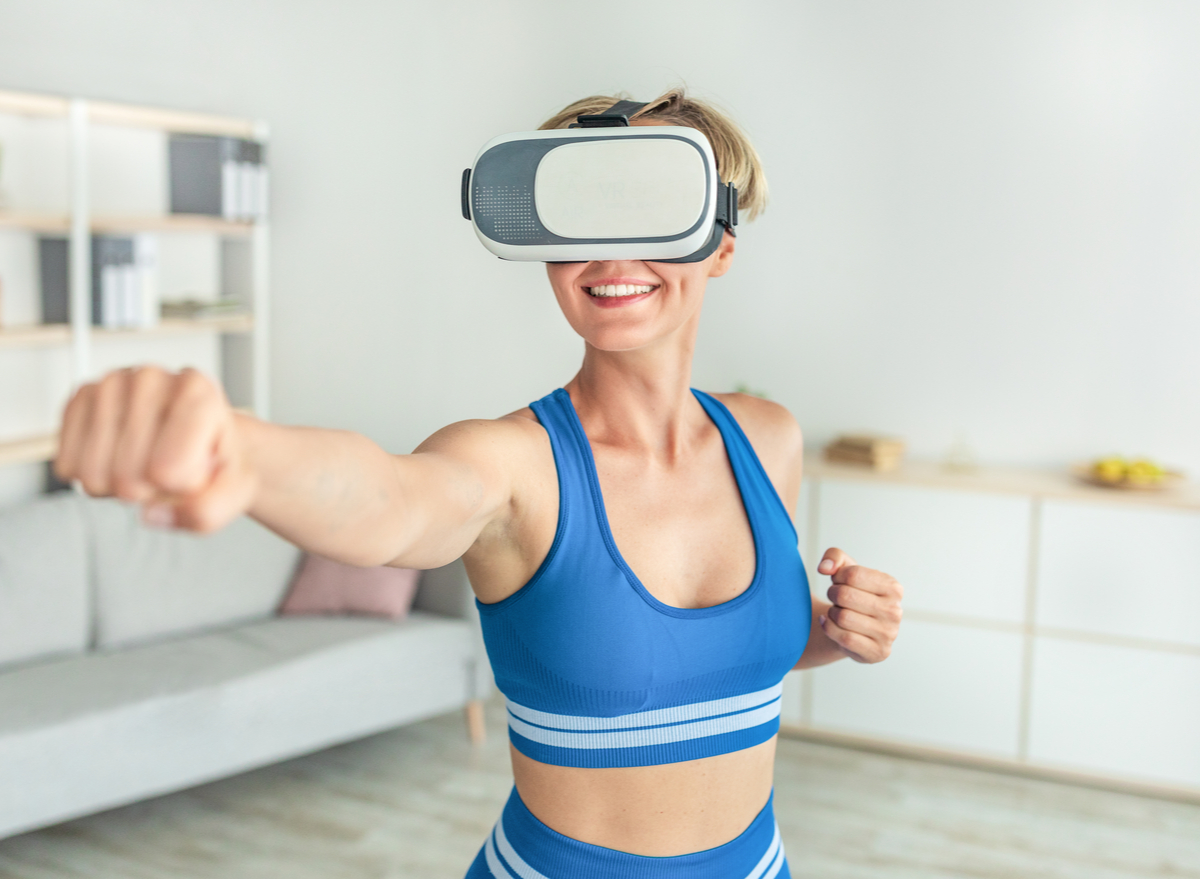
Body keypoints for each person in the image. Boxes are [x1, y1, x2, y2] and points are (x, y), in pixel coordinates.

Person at [54, 88, 903, 879]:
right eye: (578, 220)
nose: (607, 253)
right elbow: (391, 500)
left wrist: (830, 630)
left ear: (719, 244)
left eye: (648, 211)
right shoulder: (512, 464)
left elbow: (730, 659)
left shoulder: (769, 439)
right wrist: (237, 449)